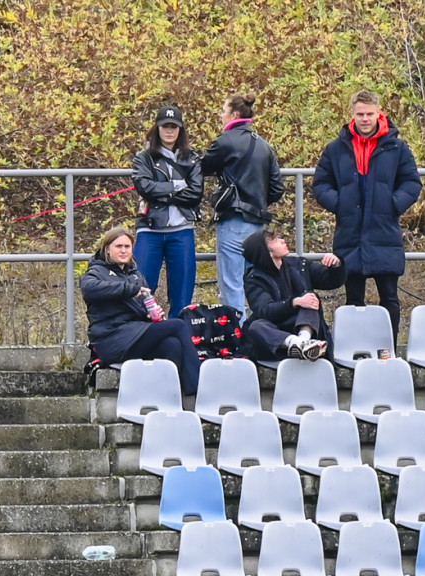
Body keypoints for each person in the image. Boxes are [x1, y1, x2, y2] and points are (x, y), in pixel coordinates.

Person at [312, 89, 422, 345]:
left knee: (389, 298)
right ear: (352, 113)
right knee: (353, 299)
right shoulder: (336, 149)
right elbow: (320, 184)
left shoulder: (397, 147)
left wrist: (392, 205)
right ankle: (356, 351)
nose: (365, 119)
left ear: (378, 112)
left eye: (369, 114)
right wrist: (340, 204)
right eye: (360, 114)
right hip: (350, 232)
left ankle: (389, 351)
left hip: (384, 231)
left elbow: (412, 183)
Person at [81, 226, 200, 395]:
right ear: (107, 249)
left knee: (171, 345)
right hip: (111, 338)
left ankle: (170, 396)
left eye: (127, 247)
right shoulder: (95, 272)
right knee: (178, 325)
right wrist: (130, 289)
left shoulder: (135, 274)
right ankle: (197, 388)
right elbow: (89, 289)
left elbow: (141, 307)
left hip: (134, 333)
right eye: (118, 246)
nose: (123, 251)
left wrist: (151, 314)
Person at [202, 94, 285, 315]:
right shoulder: (264, 145)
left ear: (234, 115)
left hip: (233, 220)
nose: (221, 115)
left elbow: (201, 166)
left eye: (223, 111)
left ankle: (236, 339)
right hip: (258, 224)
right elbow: (277, 188)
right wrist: (258, 199)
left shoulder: (225, 141)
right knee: (254, 284)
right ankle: (257, 335)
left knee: (232, 286)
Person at [131, 104, 204, 315]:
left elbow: (196, 193)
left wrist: (162, 194)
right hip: (150, 230)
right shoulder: (143, 157)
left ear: (181, 129)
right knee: (142, 291)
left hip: (182, 231)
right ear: (157, 128)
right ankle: (140, 336)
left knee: (182, 295)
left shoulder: (193, 158)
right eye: (165, 126)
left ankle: (178, 338)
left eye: (174, 126)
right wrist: (177, 186)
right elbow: (145, 187)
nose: (169, 131)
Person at [239, 229, 346, 362]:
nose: (283, 241)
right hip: (276, 338)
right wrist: (294, 302)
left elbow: (331, 281)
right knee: (256, 326)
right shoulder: (254, 279)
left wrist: (336, 265)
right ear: (267, 252)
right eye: (275, 240)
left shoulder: (298, 264)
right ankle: (298, 344)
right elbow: (265, 311)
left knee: (311, 298)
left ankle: (304, 341)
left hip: (305, 327)